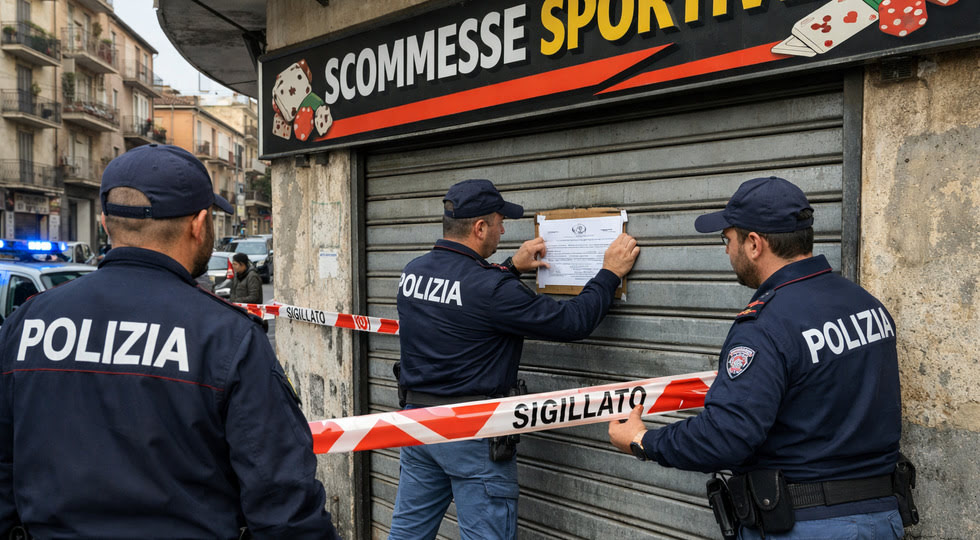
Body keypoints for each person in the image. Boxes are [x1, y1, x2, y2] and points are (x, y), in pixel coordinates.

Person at [0, 144, 340, 540]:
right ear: (198, 224)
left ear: (107, 223)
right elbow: (284, 506)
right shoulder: (227, 337)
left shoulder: (27, 322)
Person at [608, 176, 906, 539]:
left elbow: (727, 436)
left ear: (754, 244)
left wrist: (643, 441)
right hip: (882, 518)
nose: (726, 251)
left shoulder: (765, 325)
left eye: (727, 239)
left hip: (809, 525)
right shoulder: (866, 304)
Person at [388, 178, 640, 540]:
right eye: (499, 221)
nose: (504, 228)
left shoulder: (413, 272)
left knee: (407, 535)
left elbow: (464, 297)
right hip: (473, 432)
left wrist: (511, 267)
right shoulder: (492, 289)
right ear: (479, 228)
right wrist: (608, 274)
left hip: (418, 426)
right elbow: (572, 322)